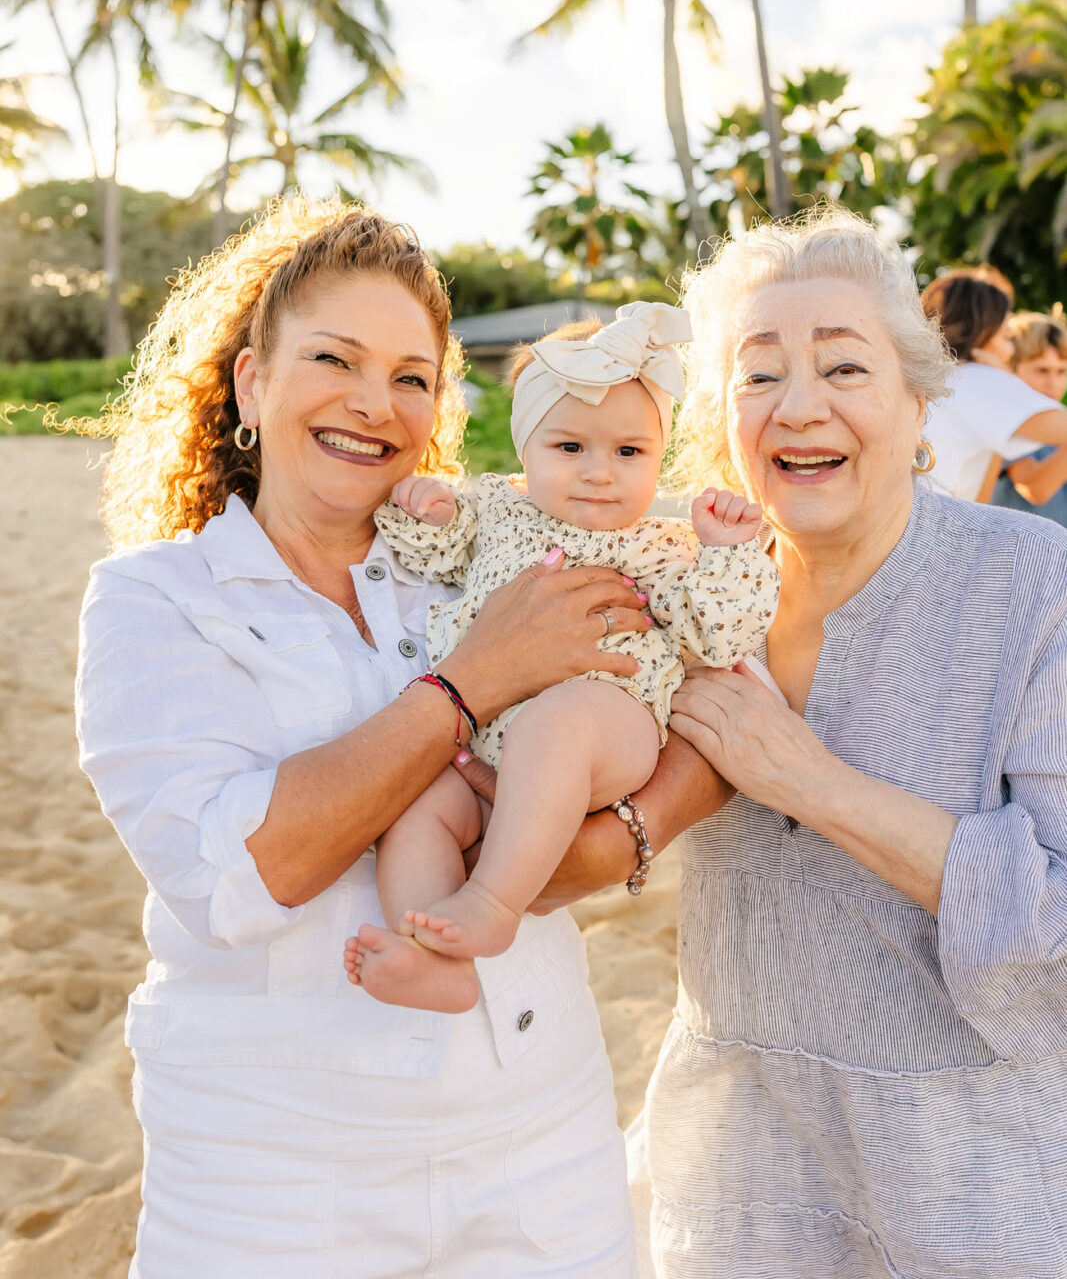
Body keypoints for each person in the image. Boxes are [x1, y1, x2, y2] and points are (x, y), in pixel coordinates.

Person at [75, 198, 651, 1278]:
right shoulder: (154, 599)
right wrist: (475, 679)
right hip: (274, 1178)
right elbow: (243, 873)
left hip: (543, 1139)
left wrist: (626, 835)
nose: (371, 403)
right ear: (251, 380)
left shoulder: (485, 554)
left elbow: (679, 709)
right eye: (332, 358)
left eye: (409, 376)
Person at [616, 207, 1067, 1277]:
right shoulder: (676, 583)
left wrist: (802, 779)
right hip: (731, 1156)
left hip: (967, 1165)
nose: (798, 407)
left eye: (843, 368)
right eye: (757, 373)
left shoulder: (1029, 585)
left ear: (916, 401)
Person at [345, 304, 777, 1012]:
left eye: (628, 452)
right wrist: (429, 511)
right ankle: (429, 954)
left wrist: (726, 552)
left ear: (657, 455)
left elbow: (717, 633)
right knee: (418, 808)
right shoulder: (496, 510)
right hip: (487, 731)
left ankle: (488, 904)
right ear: (525, 447)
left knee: (557, 724)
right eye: (569, 448)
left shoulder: (661, 545)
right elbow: (433, 553)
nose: (599, 474)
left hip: (609, 717)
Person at [920, 270, 1067, 500]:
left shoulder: (941, 382)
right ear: (981, 335)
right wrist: (1006, 375)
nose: (1010, 351)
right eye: (1006, 337)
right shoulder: (976, 380)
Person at [991, 309, 1067, 527]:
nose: (1053, 382)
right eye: (1042, 370)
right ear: (1011, 368)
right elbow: (1036, 489)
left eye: (1061, 372)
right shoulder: (1005, 420)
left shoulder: (1060, 417)